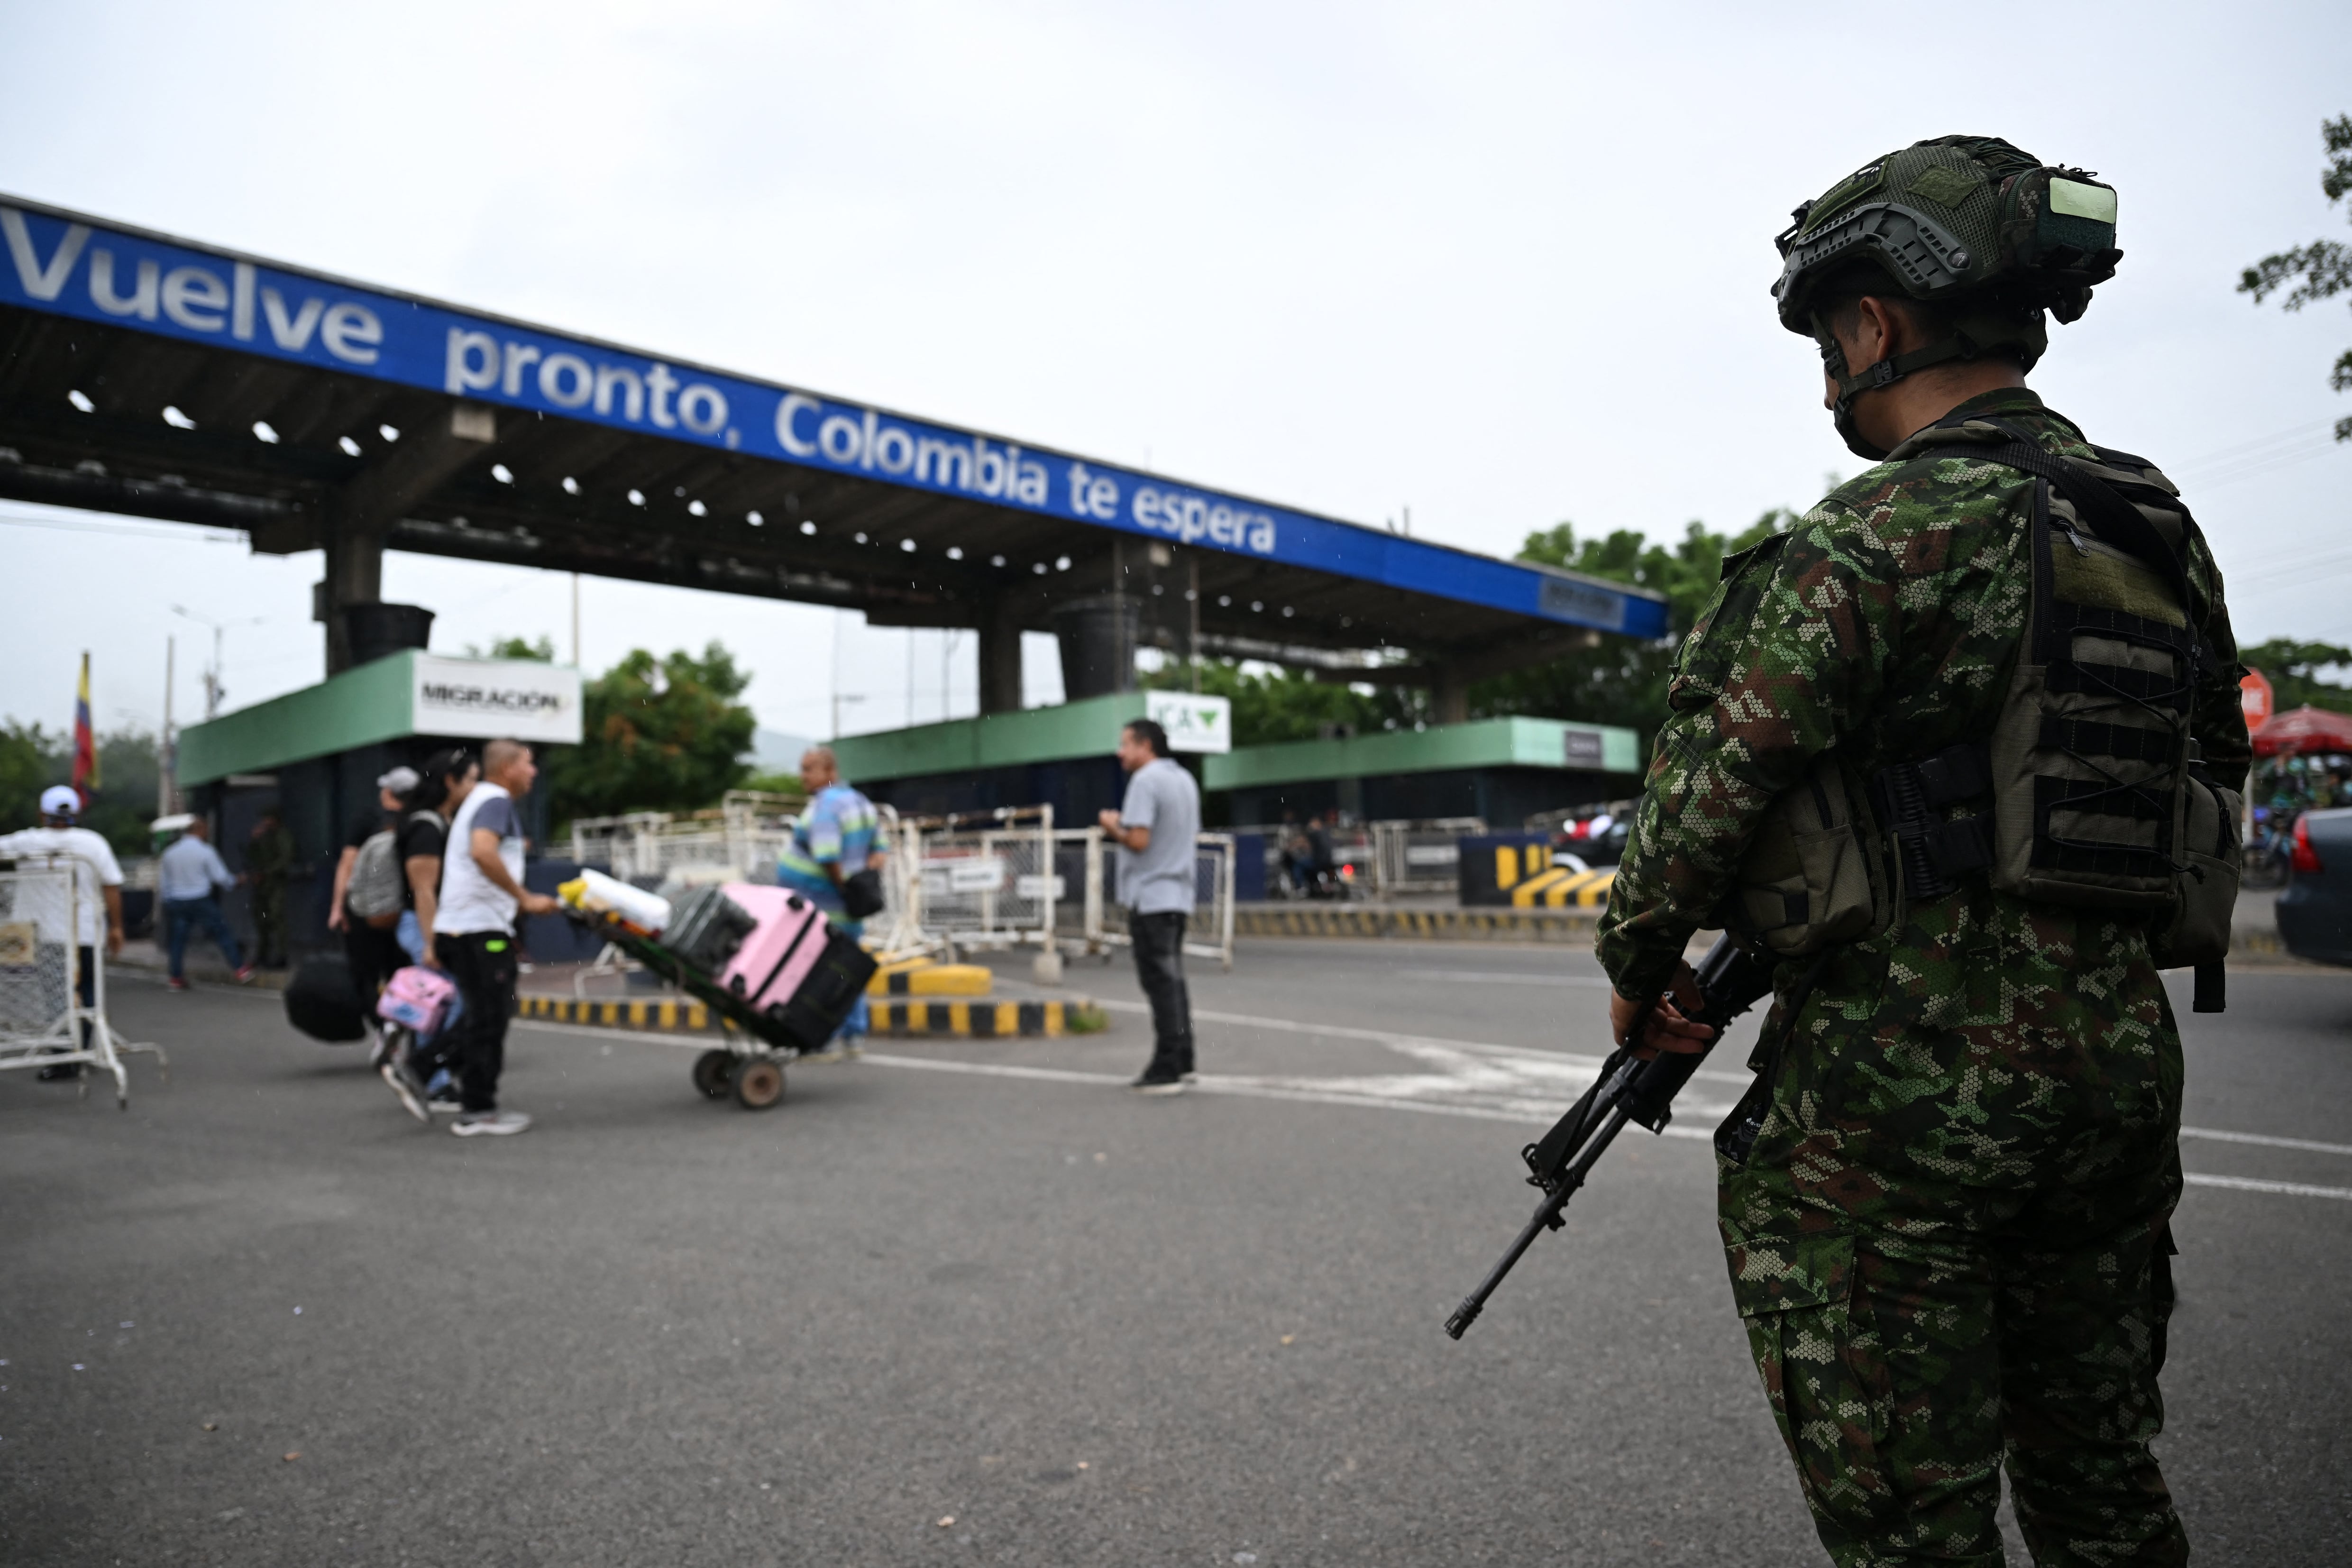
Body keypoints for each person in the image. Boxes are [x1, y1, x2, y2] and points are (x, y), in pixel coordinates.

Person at [1595, 137, 2239, 1565]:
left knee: (1912, 1520)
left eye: (1830, 334)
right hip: (2115, 1077)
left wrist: (1638, 972)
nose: (1829, 367)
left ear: (1874, 326)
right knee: (2102, 1484)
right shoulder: (2152, 525)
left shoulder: (1870, 535)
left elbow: (1694, 816)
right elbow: (2212, 778)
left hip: (1895, 1098)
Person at [388, 739, 554, 1136]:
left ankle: (423, 1068)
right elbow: (483, 852)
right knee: (490, 1016)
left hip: (466, 927)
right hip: (479, 929)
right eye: (528, 764)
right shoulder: (495, 799)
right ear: (508, 767)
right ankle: (477, 1109)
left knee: (488, 1013)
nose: (534, 772)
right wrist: (524, 898)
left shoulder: (481, 800)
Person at [1098, 718, 1199, 1093]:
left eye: (1126, 744)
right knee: (1174, 980)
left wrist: (1112, 826)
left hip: (1151, 895)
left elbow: (1138, 840)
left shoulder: (1145, 781)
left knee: (1159, 982)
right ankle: (1184, 1056)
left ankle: (1167, 1064)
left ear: (1145, 746)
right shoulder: (1184, 780)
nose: (1120, 752)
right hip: (1178, 894)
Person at [0, 785, 130, 1077]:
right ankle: (84, 1050)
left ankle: (64, 1058)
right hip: (87, 932)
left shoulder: (28, 841)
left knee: (58, 997)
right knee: (88, 991)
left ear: (41, 813)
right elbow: (112, 886)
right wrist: (118, 928)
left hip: (49, 936)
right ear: (77, 813)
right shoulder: (94, 843)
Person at [776, 746, 886, 1057]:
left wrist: (845, 887)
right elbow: (880, 850)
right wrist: (863, 882)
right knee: (849, 968)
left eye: (809, 769)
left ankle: (829, 1039)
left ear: (829, 772)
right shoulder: (861, 803)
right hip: (848, 909)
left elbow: (827, 856)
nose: (803, 777)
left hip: (823, 906)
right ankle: (854, 1037)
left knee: (823, 973)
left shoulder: (826, 807)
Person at [328, 765, 419, 1043]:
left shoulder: (367, 820)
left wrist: (337, 907)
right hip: (403, 912)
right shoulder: (417, 822)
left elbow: (347, 865)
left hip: (364, 913)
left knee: (365, 976)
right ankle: (407, 1029)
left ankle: (384, 1029)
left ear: (389, 793)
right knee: (401, 974)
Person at [155, 815, 254, 990]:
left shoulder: (170, 853)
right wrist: (237, 881)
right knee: (222, 932)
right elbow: (221, 878)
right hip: (200, 899)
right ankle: (240, 969)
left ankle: (176, 977)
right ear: (200, 831)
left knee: (178, 940)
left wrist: (168, 902)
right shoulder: (205, 851)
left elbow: (164, 883)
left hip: (177, 901)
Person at [244, 805, 296, 969]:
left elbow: (286, 859)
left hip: (275, 883)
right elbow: (252, 856)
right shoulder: (263, 836)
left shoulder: (282, 836)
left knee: (276, 917)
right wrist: (254, 840)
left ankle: (280, 956)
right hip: (262, 884)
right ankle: (263, 954)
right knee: (261, 919)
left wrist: (266, 872)